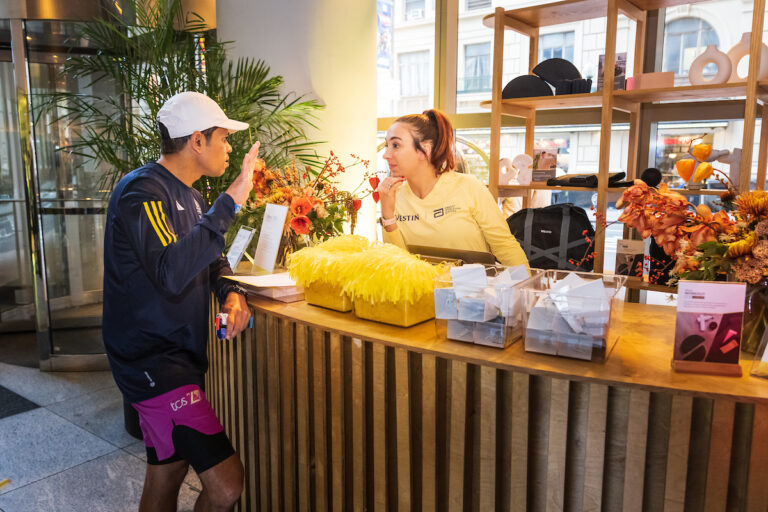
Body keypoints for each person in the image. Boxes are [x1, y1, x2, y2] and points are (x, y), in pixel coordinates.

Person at [103, 91, 260, 512]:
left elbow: (211, 262)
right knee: (227, 485)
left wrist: (232, 294)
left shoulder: (190, 196)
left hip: (176, 356)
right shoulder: (143, 192)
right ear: (196, 141)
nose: (229, 148)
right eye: (224, 138)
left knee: (168, 469)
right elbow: (172, 272)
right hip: (151, 360)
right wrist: (232, 199)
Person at [379, 109, 529, 267]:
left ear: (425, 149)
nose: (386, 154)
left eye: (395, 145)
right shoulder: (394, 196)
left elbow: (505, 246)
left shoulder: (469, 187)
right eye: (387, 145)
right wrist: (387, 215)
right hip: (420, 290)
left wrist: (528, 286)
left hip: (471, 290)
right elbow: (397, 263)